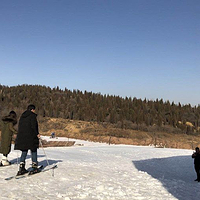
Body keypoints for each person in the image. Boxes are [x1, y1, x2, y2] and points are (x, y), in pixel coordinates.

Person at [14, 104, 40, 175]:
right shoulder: (32, 116)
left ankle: (21, 167)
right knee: (33, 150)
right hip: (31, 136)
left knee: (24, 150)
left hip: (22, 136)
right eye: (34, 110)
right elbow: (34, 126)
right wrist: (37, 134)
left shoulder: (22, 116)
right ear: (32, 109)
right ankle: (34, 166)